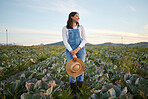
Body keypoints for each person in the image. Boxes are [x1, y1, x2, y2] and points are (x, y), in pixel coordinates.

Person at [62, 12, 87, 96]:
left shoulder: (81, 27)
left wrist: (77, 49)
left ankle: (79, 90)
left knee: (81, 69)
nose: (78, 18)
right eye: (77, 16)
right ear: (72, 17)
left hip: (80, 49)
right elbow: (65, 41)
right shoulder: (65, 28)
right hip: (70, 50)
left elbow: (84, 40)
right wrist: (72, 51)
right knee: (71, 70)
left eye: (78, 16)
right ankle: (73, 92)